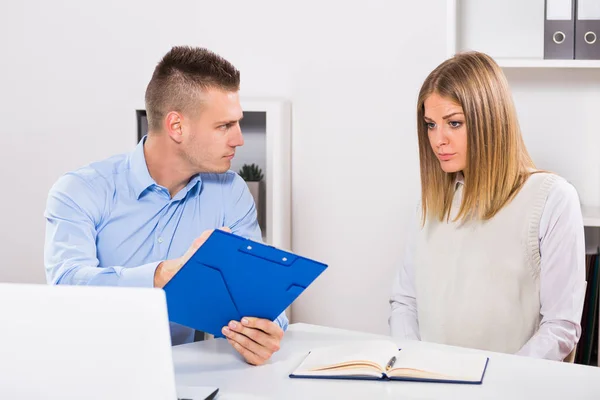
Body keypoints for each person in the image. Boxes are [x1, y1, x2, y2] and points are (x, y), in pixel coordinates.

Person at [44, 46, 286, 366]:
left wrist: (266, 330)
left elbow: (261, 294)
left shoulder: (230, 192)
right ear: (176, 126)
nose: (239, 139)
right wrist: (161, 275)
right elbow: (67, 283)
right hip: (92, 370)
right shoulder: (81, 189)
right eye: (224, 126)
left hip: (185, 375)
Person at [389, 51, 586, 361]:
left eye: (453, 123)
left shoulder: (552, 199)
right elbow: (405, 302)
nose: (438, 139)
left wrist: (497, 380)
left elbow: (560, 327)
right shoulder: (430, 204)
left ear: (490, 120)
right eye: (430, 125)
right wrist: (414, 363)